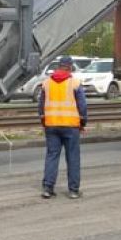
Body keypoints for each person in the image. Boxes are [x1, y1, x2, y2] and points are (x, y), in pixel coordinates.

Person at [38, 56, 88, 199]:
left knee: (52, 156)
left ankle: (48, 188)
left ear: (58, 66)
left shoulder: (46, 83)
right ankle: (73, 190)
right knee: (72, 157)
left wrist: (44, 122)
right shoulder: (75, 83)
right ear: (70, 67)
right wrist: (82, 123)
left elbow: (41, 107)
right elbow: (82, 106)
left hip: (51, 125)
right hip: (71, 126)